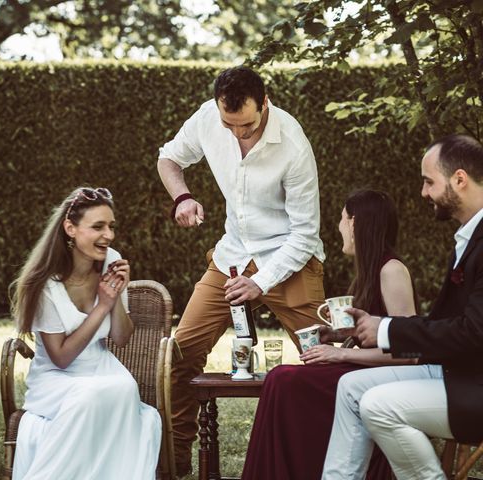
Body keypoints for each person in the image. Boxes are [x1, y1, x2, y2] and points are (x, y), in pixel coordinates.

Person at [157, 65, 326, 475]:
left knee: (327, 364)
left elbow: (305, 235)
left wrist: (261, 281)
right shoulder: (207, 118)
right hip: (231, 256)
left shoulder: (293, 144)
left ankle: (331, 462)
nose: (237, 134)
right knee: (180, 356)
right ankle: (176, 461)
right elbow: (168, 158)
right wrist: (182, 197)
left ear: (264, 103)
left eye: (246, 125)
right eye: (228, 124)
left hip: (290, 260)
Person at [322, 134, 483, 479]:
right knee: (351, 387)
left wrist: (387, 328)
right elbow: (450, 324)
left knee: (377, 405)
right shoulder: (467, 240)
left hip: (474, 383)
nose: (423, 192)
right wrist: (378, 329)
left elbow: (474, 331)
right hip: (458, 371)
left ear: (459, 179)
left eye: (429, 182)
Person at [241, 189, 417, 480]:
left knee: (283, 380)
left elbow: (408, 352)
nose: (338, 226)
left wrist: (341, 353)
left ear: (355, 223)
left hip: (382, 382)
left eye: (341, 218)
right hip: (362, 373)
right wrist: (338, 335)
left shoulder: (392, 270)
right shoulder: (370, 271)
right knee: (283, 379)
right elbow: (379, 332)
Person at [10, 187, 161, 480]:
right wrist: (102, 306)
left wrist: (115, 297)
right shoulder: (44, 286)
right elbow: (61, 358)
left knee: (123, 388)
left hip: (102, 365)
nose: (109, 235)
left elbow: (121, 338)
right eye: (98, 227)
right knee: (90, 395)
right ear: (70, 229)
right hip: (56, 377)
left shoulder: (112, 260)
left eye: (111, 226)